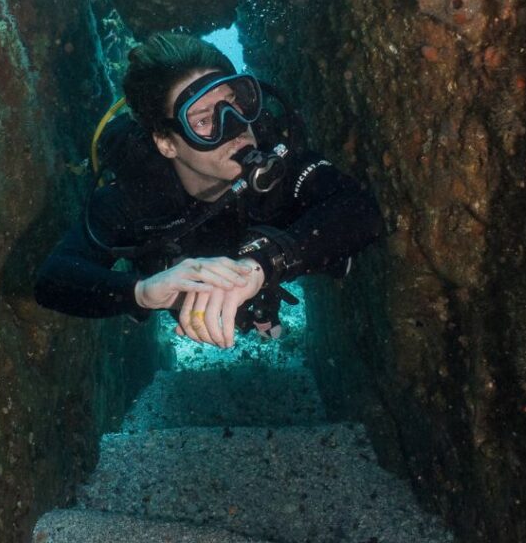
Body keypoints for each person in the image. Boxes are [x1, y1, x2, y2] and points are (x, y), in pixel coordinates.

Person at [33, 32, 385, 348]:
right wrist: (142, 292)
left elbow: (359, 209)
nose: (234, 128)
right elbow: (53, 280)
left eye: (232, 104)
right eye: (202, 120)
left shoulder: (273, 152)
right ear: (166, 143)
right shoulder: (136, 194)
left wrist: (262, 266)